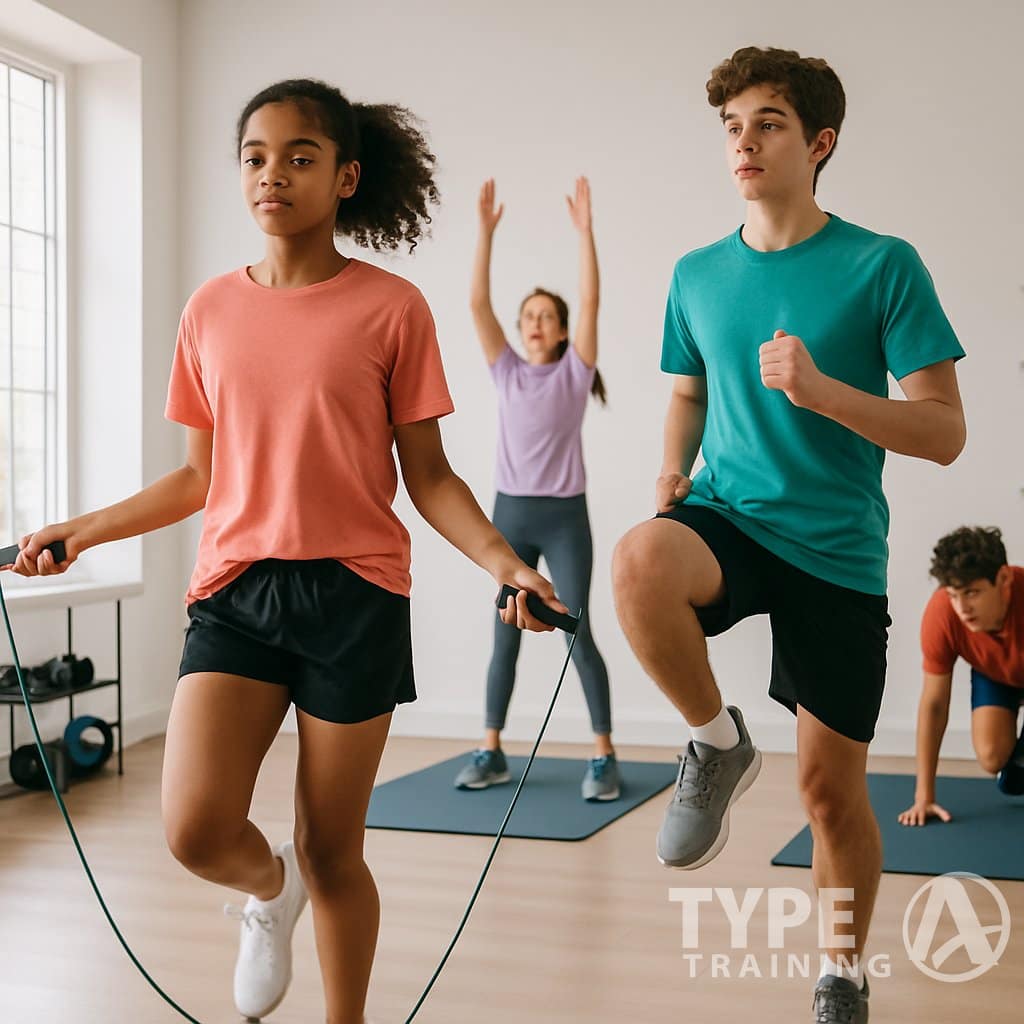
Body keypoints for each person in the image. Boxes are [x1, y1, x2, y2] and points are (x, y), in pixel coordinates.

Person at [7, 79, 564, 1024]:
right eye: (256, 157)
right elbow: (198, 478)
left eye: (300, 157)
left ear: (346, 176)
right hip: (234, 591)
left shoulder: (394, 308)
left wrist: (507, 563)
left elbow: (429, 477)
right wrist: (82, 528)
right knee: (193, 828)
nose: (273, 175)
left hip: (357, 597)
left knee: (335, 848)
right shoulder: (210, 311)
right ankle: (269, 894)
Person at [611, 46, 966, 1023]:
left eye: (765, 123)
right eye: (730, 125)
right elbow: (687, 392)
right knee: (640, 555)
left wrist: (821, 392)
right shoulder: (695, 273)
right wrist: (669, 465)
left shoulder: (881, 264)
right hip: (728, 511)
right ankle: (713, 742)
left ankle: (841, 974)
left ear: (818, 142)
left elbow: (943, 430)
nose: (742, 142)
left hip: (837, 549)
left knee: (828, 793)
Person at [455, 177, 618, 802]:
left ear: (561, 331)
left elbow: (592, 297)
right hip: (509, 519)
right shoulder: (507, 371)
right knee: (505, 635)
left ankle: (602, 754)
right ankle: (491, 747)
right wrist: (486, 234)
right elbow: (476, 304)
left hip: (564, 519)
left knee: (578, 630)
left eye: (546, 317)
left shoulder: (576, 372)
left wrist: (584, 232)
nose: (534, 324)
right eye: (528, 317)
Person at [899, 526, 1024, 826]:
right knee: (992, 756)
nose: (962, 608)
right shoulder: (944, 613)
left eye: (972, 593)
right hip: (997, 673)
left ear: (1003, 579)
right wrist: (923, 797)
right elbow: (934, 705)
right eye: (954, 594)